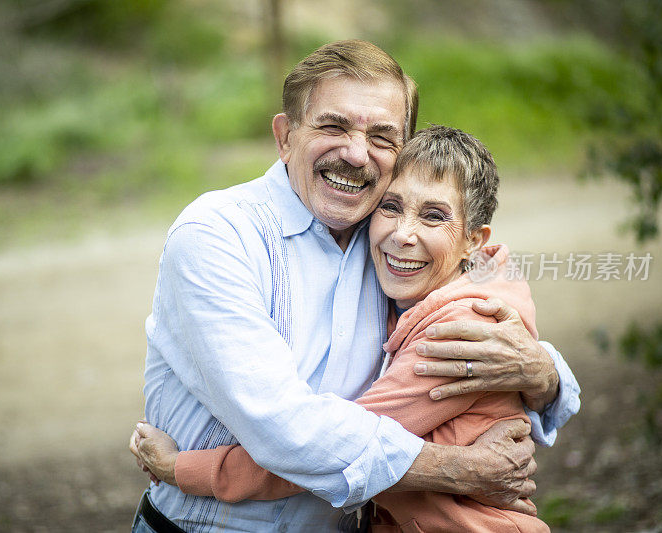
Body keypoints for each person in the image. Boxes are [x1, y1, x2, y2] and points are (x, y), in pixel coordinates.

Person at [130, 40, 580, 532]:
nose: (356, 153)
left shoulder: (391, 244)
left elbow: (479, 299)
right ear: (284, 136)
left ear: (400, 152)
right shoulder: (218, 235)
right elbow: (284, 430)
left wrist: (543, 373)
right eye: (333, 125)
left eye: (382, 136)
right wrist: (460, 470)